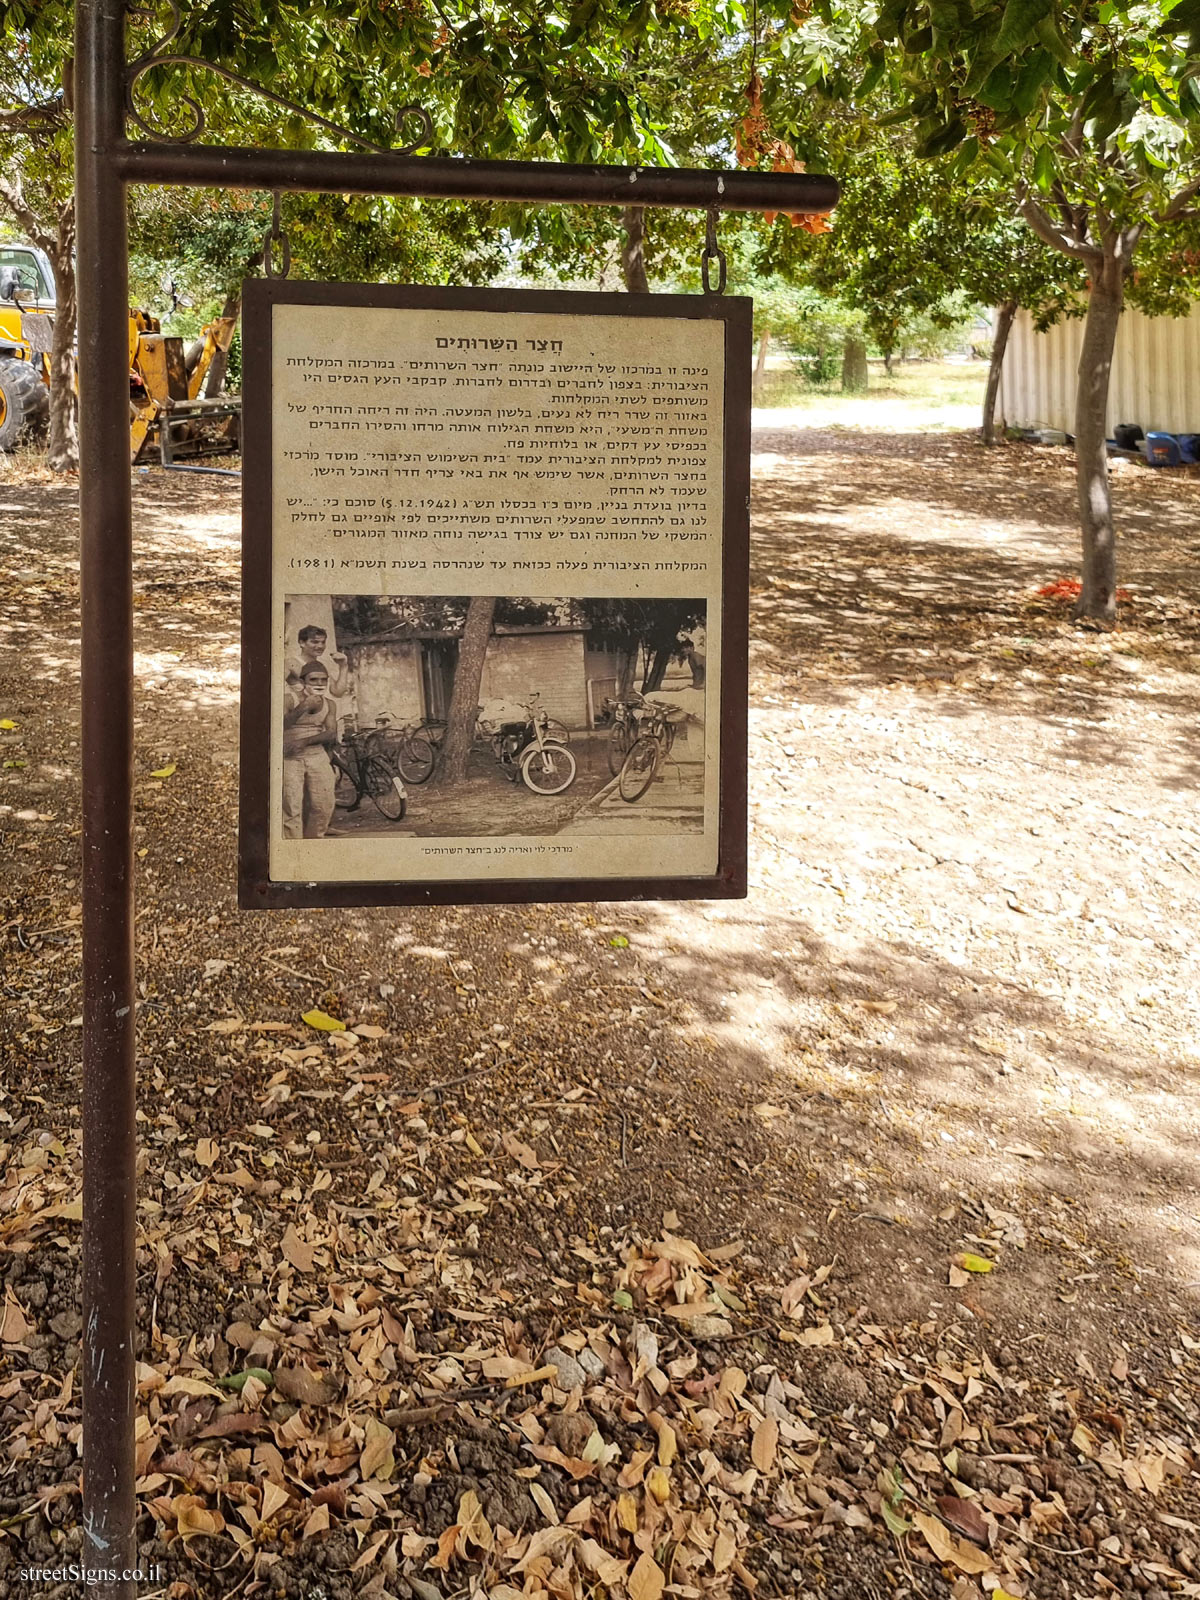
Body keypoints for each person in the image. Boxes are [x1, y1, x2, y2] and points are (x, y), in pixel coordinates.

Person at [282, 661, 337, 839]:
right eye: (314, 680)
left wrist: (305, 741)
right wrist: (304, 706)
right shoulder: (290, 699)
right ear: (304, 681)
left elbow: (331, 734)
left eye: (323, 680)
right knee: (291, 806)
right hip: (289, 757)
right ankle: (293, 848)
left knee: (324, 804)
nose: (319, 684)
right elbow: (278, 725)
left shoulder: (330, 703)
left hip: (316, 754)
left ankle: (314, 843)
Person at [285, 624, 349, 697]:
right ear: (302, 643)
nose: (320, 646)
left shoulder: (320, 665)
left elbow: (337, 692)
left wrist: (343, 666)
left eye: (323, 642)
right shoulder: (290, 663)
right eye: (314, 642)